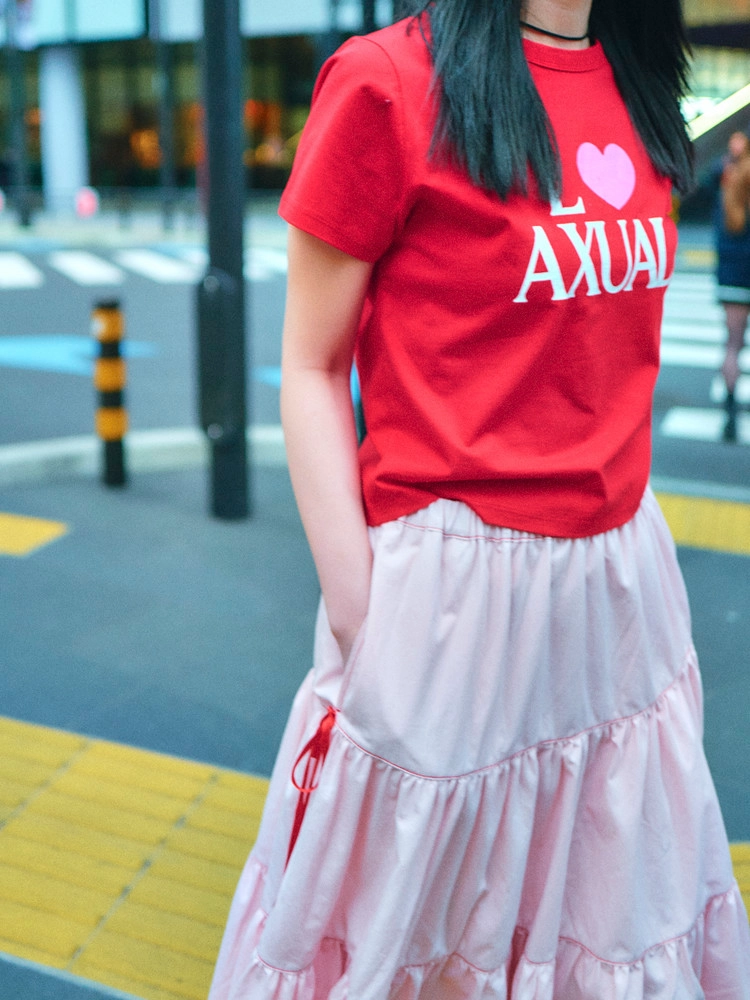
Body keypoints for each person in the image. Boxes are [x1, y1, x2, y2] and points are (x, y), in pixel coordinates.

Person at [209, 0, 750, 995]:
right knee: (413, 943)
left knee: (606, 925)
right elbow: (312, 366)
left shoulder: (638, 83)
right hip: (453, 602)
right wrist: (364, 616)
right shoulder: (388, 84)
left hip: (619, 595)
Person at [715, 129, 750, 442]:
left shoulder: (726, 188)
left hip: (732, 279)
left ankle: (730, 414)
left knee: (732, 346)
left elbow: (720, 238)